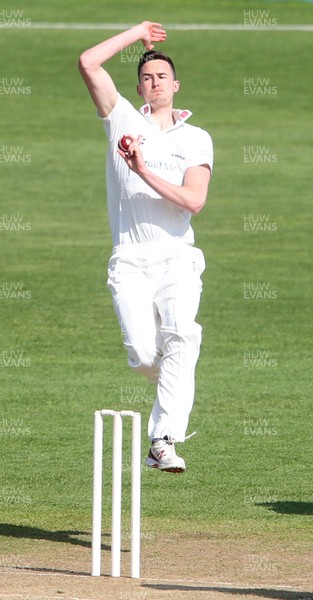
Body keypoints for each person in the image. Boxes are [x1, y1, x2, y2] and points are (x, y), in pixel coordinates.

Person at [78, 21, 213, 473]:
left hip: (177, 256)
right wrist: (137, 32)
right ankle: (180, 375)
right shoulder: (122, 118)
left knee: (182, 334)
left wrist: (141, 171)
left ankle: (162, 441)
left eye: (162, 77)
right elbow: (87, 62)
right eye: (148, 77)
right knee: (143, 354)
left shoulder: (196, 138)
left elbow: (194, 199)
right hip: (131, 258)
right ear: (139, 86)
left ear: (176, 85)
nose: (155, 83)